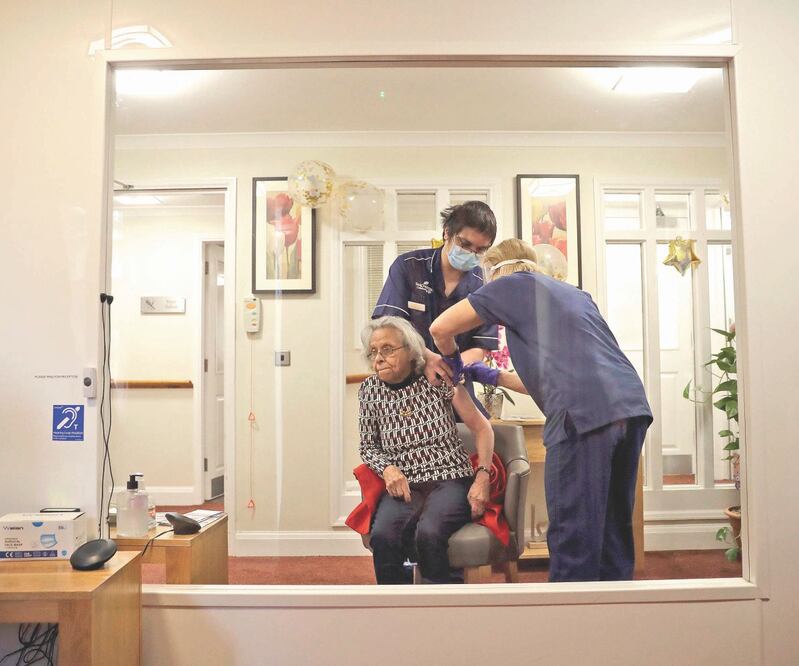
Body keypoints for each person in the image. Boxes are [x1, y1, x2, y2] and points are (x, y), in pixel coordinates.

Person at [429, 238, 653, 582]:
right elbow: (551, 378)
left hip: (583, 415)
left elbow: (440, 328)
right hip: (629, 406)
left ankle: (566, 626)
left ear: (492, 271)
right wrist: (493, 375)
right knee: (612, 526)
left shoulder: (508, 285)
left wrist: (452, 361)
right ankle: (612, 620)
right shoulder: (574, 294)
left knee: (573, 531)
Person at [358, 316, 494, 584]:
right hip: (405, 484)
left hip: (450, 479)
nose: (379, 358)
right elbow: (367, 445)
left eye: (388, 349)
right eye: (373, 352)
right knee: (384, 536)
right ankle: (396, 610)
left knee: (429, 533)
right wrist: (387, 469)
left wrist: (482, 476)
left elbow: (483, 429)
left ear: (410, 351)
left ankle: (442, 607)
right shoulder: (369, 390)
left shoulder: (437, 379)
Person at [372, 200, 499, 409]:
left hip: (455, 386)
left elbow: (481, 347)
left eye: (480, 250)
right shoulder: (408, 267)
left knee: (471, 434)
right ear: (447, 233)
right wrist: (427, 357)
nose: (471, 253)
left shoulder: (484, 286)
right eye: (465, 244)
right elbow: (388, 327)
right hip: (404, 385)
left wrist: (450, 367)